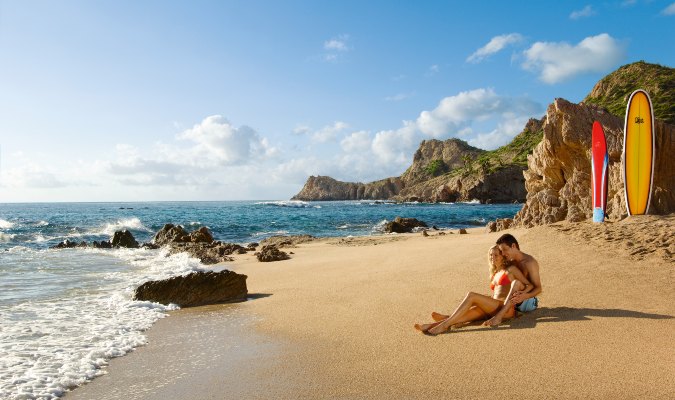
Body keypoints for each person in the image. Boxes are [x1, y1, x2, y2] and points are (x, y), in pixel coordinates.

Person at [414, 245, 532, 335]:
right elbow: (499, 293)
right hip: (494, 307)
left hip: (505, 309)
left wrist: (521, 296)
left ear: (503, 257)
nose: (493, 257)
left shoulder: (510, 269)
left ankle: (445, 323)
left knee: (472, 296)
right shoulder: (495, 273)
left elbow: (527, 285)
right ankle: (431, 325)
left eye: (496, 255)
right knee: (468, 312)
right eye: (491, 255)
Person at [483, 233, 542, 326]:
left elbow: (538, 288)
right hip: (513, 302)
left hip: (528, 301)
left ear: (513, 246)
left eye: (505, 250)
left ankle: (499, 317)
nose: (503, 254)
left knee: (515, 283)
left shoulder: (530, 262)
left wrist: (525, 296)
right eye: (501, 251)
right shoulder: (511, 261)